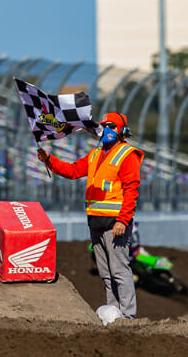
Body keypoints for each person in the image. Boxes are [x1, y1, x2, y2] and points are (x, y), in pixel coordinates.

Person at [38, 111, 143, 319]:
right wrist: (49, 159)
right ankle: (114, 314)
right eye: (104, 125)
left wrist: (123, 220)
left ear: (121, 131)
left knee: (120, 271)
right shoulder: (95, 155)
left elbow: (132, 190)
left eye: (112, 126)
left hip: (115, 224)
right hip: (95, 222)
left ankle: (129, 318)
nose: (106, 130)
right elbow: (72, 171)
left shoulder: (127, 154)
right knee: (106, 273)